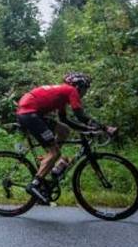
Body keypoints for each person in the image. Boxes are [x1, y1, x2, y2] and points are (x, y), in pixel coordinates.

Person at [16, 72, 107, 204]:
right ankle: (35, 184)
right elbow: (80, 115)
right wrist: (104, 128)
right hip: (29, 114)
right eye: (85, 89)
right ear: (78, 86)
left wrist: (88, 129)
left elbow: (64, 120)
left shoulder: (62, 93)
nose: (85, 93)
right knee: (55, 152)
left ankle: (50, 163)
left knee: (64, 130)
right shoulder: (71, 91)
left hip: (30, 112)